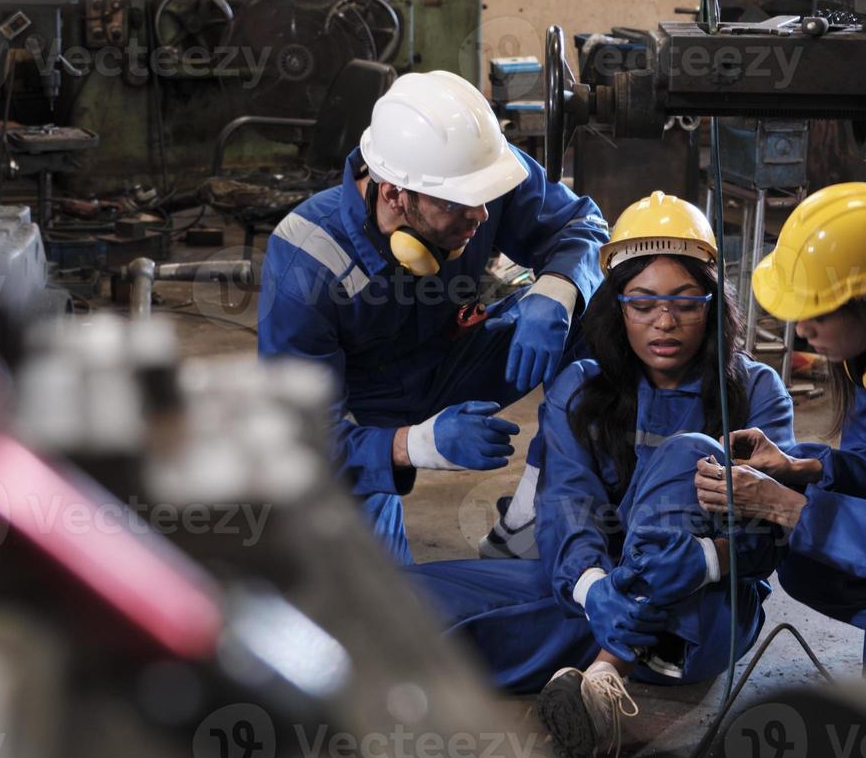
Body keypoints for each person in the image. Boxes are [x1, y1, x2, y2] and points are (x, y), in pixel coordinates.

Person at [405, 192, 795, 758]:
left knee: (692, 454)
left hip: (707, 609)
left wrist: (707, 561)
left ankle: (611, 660)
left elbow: (772, 526)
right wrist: (595, 591)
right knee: (401, 603)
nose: (665, 321)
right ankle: (612, 660)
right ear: (618, 308)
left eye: (686, 303)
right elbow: (568, 508)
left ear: (713, 306)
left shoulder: (757, 391)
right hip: (598, 590)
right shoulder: (581, 387)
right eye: (643, 304)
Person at [259, 71, 608, 564]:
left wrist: (558, 288)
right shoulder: (305, 260)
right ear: (394, 194)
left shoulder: (472, 177)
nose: (482, 216)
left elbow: (584, 224)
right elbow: (299, 441)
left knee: (607, 312)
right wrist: (415, 445)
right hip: (365, 412)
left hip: (456, 358)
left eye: (485, 198)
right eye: (459, 207)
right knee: (382, 607)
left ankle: (531, 513)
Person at [694, 182, 866, 670]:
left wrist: (790, 507)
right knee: (805, 561)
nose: (804, 328)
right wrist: (803, 468)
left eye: (819, 309)